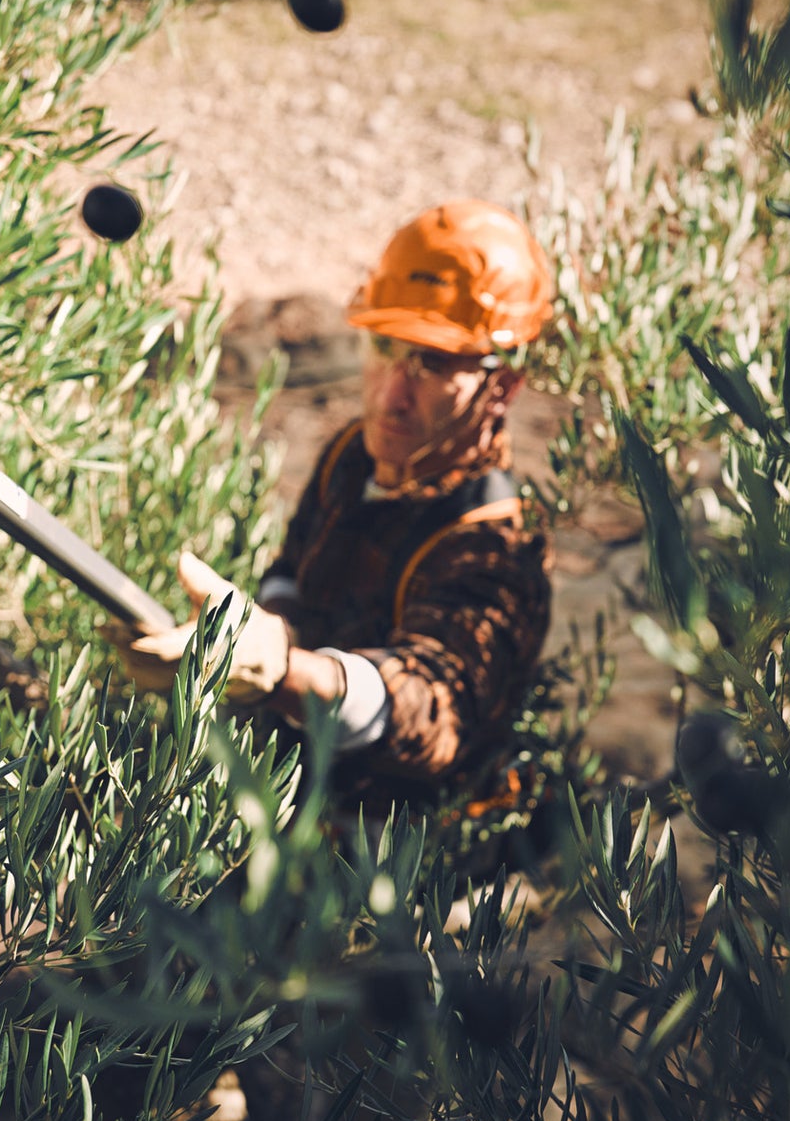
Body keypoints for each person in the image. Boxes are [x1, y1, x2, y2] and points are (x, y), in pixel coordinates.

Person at [112, 199, 554, 808]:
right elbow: (297, 568)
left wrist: (280, 670)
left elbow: (429, 711)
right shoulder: (358, 452)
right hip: (289, 779)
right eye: (386, 348)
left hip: (392, 850)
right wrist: (269, 628)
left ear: (500, 387)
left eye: (432, 365)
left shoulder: (497, 548)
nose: (392, 396)